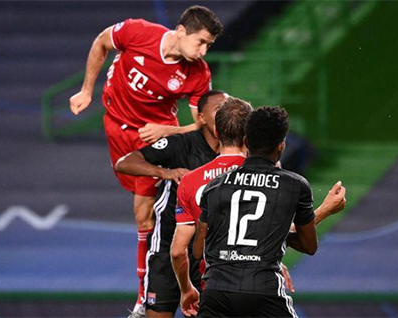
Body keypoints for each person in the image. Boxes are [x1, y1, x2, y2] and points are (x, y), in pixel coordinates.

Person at [69, 6, 223, 316]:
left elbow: (199, 123)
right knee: (134, 202)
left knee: (142, 216)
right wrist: (86, 90)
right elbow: (101, 41)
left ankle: (142, 298)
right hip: (113, 124)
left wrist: (167, 129)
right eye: (201, 42)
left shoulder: (197, 72)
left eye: (209, 45)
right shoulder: (138, 32)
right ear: (181, 32)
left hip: (150, 139)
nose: (203, 51)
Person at [192, 106, 347, 318]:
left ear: (246, 142)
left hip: (215, 293)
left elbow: (197, 250)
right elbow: (308, 245)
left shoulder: (215, 186)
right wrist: (325, 210)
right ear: (282, 147)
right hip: (263, 292)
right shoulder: (294, 185)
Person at [115, 90, 225, 318]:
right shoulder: (180, 145)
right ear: (201, 118)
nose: (225, 114)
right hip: (168, 245)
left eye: (228, 110)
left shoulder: (235, 152)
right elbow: (126, 162)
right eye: (218, 109)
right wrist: (165, 172)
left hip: (210, 254)